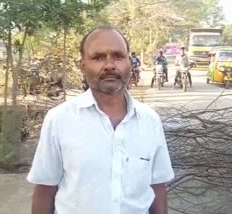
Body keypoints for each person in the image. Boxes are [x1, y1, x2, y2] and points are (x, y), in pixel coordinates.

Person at [27, 26, 174, 214]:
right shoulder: (59, 120)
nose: (110, 65)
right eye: (98, 57)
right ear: (83, 65)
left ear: (129, 62)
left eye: (118, 56)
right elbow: (45, 190)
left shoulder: (150, 120)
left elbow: (157, 187)